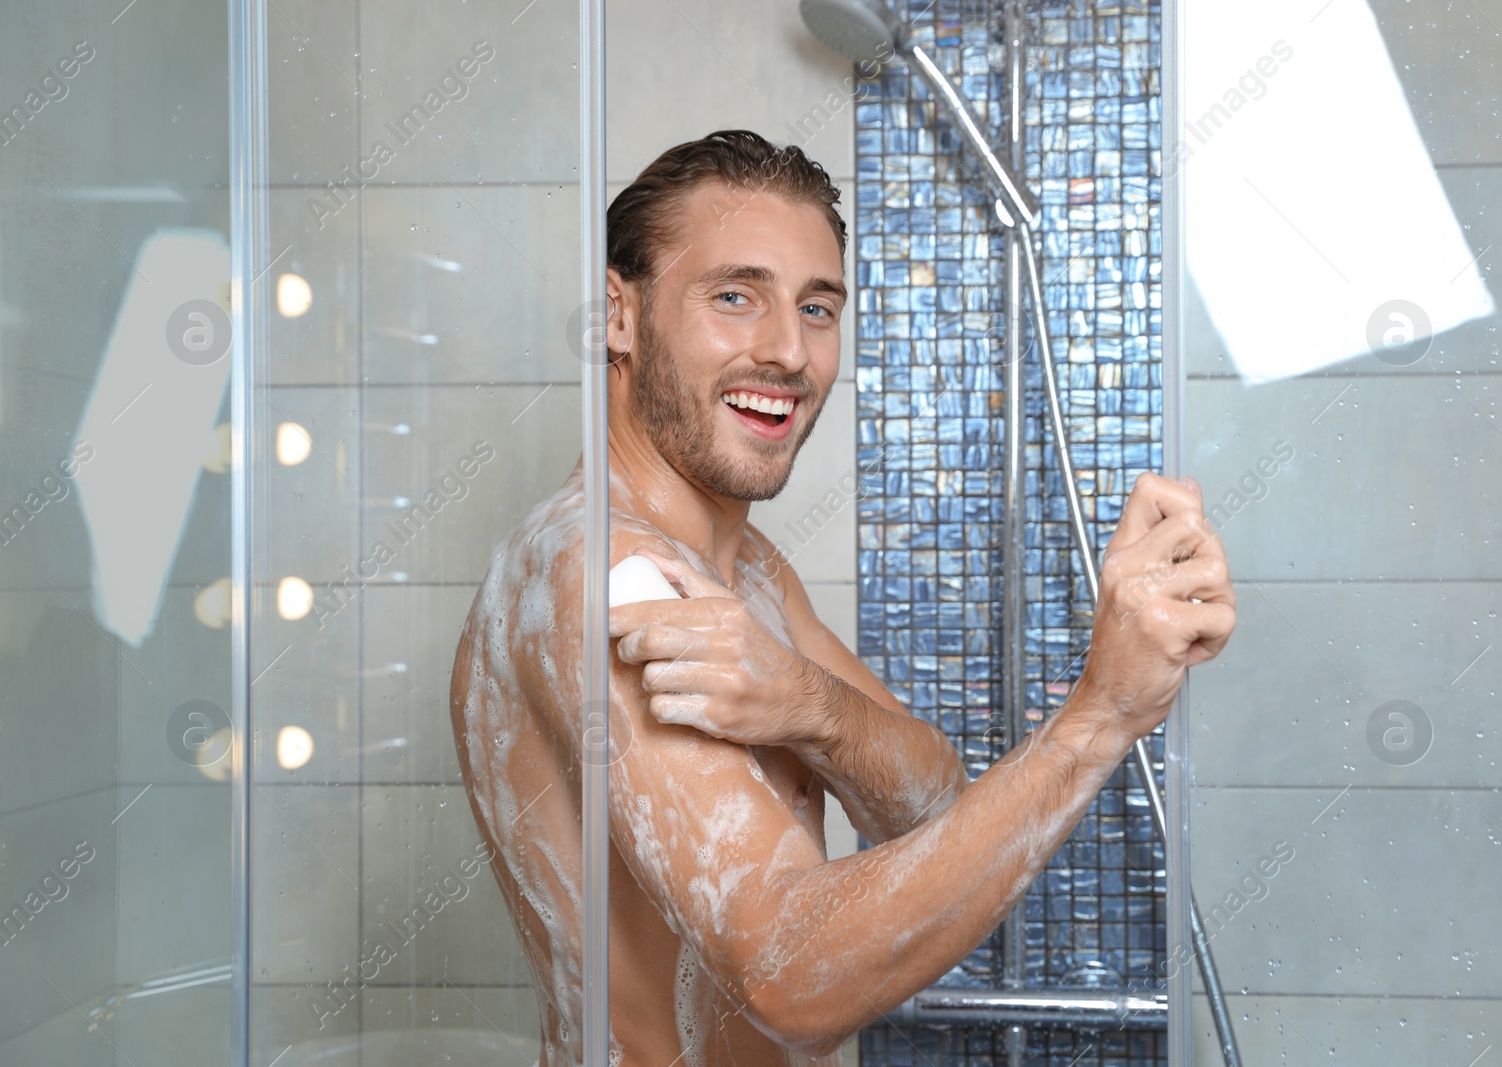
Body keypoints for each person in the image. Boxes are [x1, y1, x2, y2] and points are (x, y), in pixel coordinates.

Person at [449, 128, 1236, 1066]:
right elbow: (792, 978)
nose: (787, 350)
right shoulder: (612, 575)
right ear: (619, 315)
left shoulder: (744, 571)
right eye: (735, 296)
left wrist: (808, 704)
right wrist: (1102, 712)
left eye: (816, 308)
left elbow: (934, 803)